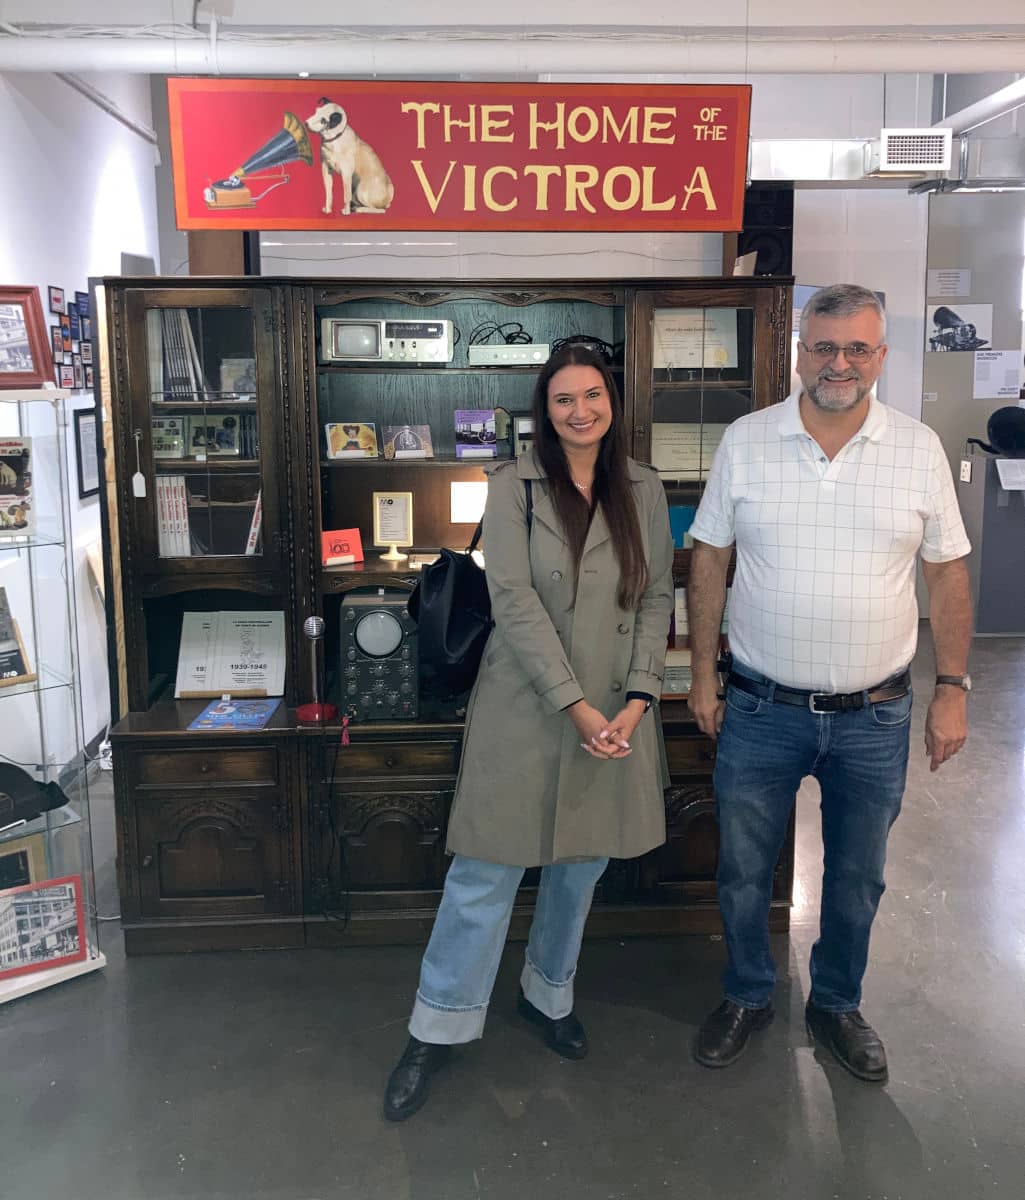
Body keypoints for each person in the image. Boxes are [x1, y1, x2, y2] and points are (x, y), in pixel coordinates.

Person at [687, 284, 972, 1084]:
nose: (837, 362)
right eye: (822, 346)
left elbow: (947, 573)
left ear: (879, 356)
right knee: (742, 872)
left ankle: (837, 1003)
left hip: (873, 717)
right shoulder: (747, 441)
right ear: (799, 352)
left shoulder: (915, 449)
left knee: (856, 878)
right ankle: (747, 992)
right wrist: (702, 674)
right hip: (756, 707)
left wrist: (951, 686)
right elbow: (707, 556)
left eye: (856, 348)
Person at [383, 344, 674, 1121]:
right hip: (527, 706)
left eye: (591, 396)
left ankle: (547, 997)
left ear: (610, 399)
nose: (579, 411)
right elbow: (511, 603)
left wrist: (638, 699)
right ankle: (436, 1026)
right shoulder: (511, 486)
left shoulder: (642, 486)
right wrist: (576, 706)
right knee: (484, 874)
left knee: (577, 868)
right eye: (561, 401)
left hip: (615, 711)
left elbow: (653, 600)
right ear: (542, 412)